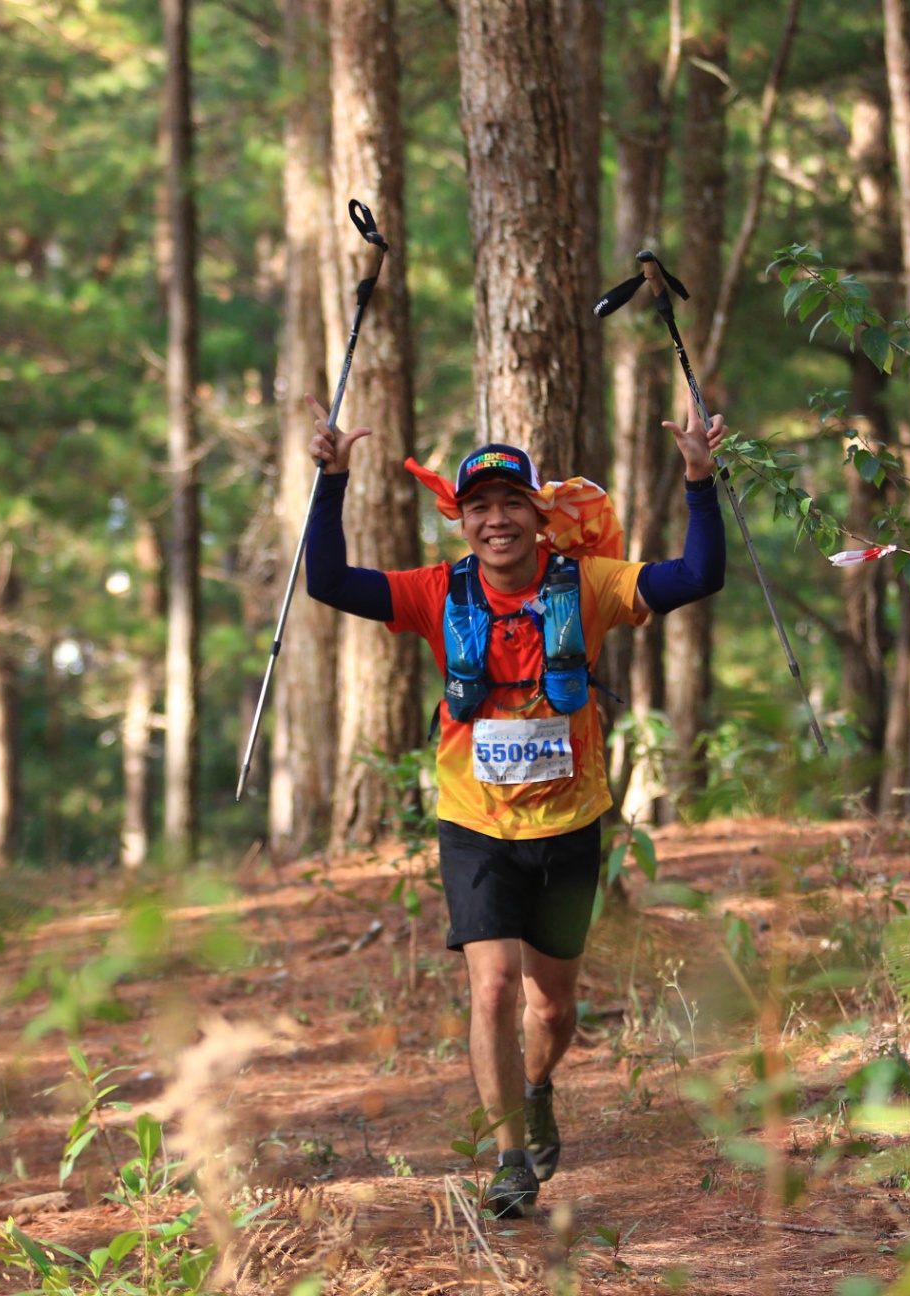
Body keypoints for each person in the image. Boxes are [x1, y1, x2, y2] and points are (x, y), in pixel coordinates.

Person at [302, 392, 728, 1218]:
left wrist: (699, 482)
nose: (494, 520)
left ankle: (536, 1087)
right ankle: (507, 1160)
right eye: (478, 506)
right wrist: (331, 482)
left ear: (538, 514)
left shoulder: (590, 584)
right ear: (461, 521)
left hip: (569, 824)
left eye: (509, 503)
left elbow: (696, 576)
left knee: (551, 1006)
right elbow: (327, 582)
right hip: (475, 823)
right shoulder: (437, 591)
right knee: (493, 988)